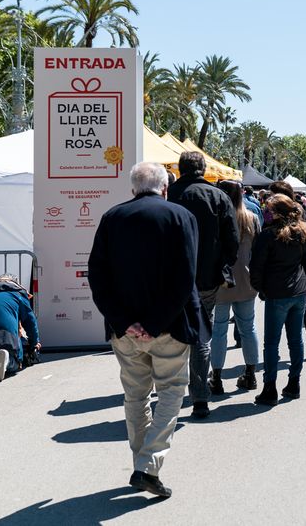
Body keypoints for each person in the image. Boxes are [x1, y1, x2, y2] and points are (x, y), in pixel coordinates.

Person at [88, 162, 203, 498]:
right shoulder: (180, 217)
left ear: (132, 188)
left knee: (135, 396)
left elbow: (97, 276)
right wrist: (152, 323)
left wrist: (124, 322)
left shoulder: (112, 218)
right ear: (165, 187)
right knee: (171, 393)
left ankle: (143, 462)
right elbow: (185, 279)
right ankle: (146, 465)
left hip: (125, 330)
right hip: (168, 326)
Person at [167, 151, 240, 420]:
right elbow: (231, 239)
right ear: (203, 168)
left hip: (173, 277)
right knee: (200, 336)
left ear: (180, 168)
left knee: (171, 336)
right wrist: (222, 265)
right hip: (207, 277)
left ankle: (171, 396)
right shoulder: (218, 196)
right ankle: (199, 397)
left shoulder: (170, 194)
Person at [250, 194, 306, 406]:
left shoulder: (268, 235)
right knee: (295, 340)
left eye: (269, 209)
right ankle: (294, 383)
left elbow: (256, 267)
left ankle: (270, 388)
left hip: (277, 294)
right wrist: (304, 283)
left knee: (272, 342)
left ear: (276, 213)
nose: (266, 212)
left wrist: (261, 288)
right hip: (298, 293)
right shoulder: (301, 233)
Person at [209, 181, 262, 393]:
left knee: (219, 329)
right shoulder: (252, 218)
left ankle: (217, 377)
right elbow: (257, 252)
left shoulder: (216, 219)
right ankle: (250, 373)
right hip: (246, 279)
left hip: (222, 281)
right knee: (248, 327)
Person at [268, 180, 306, 359]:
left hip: (292, 267)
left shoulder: (293, 211)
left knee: (291, 312)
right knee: (302, 310)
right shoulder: (298, 209)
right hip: (299, 269)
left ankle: (278, 352)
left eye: (273, 195)